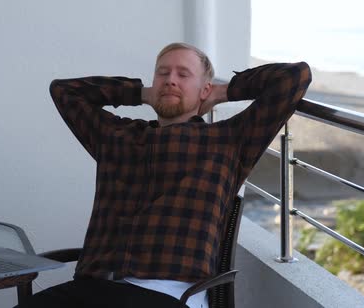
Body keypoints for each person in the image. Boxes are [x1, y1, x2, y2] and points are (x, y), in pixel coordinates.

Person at [19, 43, 311, 308]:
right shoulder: (117, 135)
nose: (171, 79)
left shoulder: (228, 140)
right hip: (94, 286)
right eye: (163, 73)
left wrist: (224, 91)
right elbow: (64, 91)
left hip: (166, 294)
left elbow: (294, 77)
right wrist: (142, 93)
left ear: (205, 89)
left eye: (184, 75)